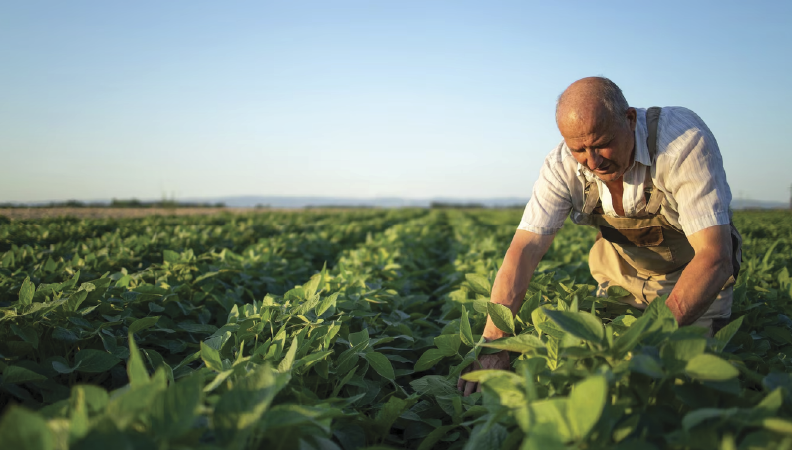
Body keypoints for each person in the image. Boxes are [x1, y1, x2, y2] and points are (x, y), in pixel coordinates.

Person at [457, 76, 741, 396]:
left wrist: (644, 343)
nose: (593, 161)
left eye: (601, 143)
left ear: (630, 120)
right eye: (579, 149)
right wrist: (495, 343)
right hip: (621, 276)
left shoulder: (683, 143)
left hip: (694, 277)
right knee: (598, 382)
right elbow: (525, 250)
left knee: (682, 385)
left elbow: (715, 258)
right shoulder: (561, 165)